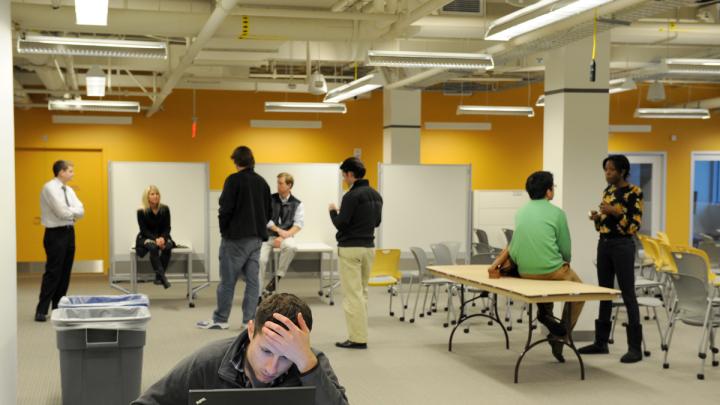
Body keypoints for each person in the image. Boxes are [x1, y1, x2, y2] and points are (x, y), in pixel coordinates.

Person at [133, 293, 348, 405]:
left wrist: (308, 366)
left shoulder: (310, 362)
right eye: (265, 351)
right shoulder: (208, 362)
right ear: (251, 330)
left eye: (286, 357)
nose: (272, 368)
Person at [491, 171, 583, 363]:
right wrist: (566, 262)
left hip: (525, 272)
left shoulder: (521, 212)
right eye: (553, 187)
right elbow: (565, 248)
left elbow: (515, 246)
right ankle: (561, 336)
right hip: (552, 271)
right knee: (580, 292)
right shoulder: (557, 214)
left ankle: (546, 315)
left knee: (542, 284)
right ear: (549, 192)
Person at [579, 154, 644, 363]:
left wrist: (616, 212)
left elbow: (633, 226)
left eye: (611, 170)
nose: (607, 174)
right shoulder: (607, 191)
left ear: (622, 171)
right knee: (605, 291)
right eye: (606, 170)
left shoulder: (634, 192)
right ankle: (601, 343)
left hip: (623, 245)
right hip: (604, 243)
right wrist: (597, 218)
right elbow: (604, 223)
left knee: (627, 293)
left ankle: (635, 348)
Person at [197, 146, 272, 330]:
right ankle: (249, 321)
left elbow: (225, 209)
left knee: (228, 281)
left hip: (235, 239)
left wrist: (225, 231)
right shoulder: (263, 183)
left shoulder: (233, 181)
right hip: (256, 239)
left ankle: (221, 319)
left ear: (236, 161)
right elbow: (270, 212)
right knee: (253, 282)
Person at [329, 157, 383, 349]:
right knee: (362, 292)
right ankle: (361, 333)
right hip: (368, 247)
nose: (344, 178)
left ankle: (357, 338)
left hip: (350, 249)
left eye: (344, 175)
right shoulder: (376, 195)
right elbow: (376, 223)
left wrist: (333, 212)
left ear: (351, 174)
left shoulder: (351, 196)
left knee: (352, 295)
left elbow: (341, 223)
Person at [35, 160, 84, 322]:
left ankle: (58, 307)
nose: (73, 174)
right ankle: (41, 310)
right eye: (70, 171)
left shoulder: (69, 190)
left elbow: (81, 210)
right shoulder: (49, 188)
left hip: (70, 233)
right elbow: (61, 212)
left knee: (65, 272)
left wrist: (72, 212)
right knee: (53, 272)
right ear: (61, 172)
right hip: (55, 234)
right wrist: (73, 213)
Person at [260, 172, 304, 295]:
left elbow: (298, 224)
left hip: (286, 236)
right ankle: (257, 294)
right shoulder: (269, 199)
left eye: (281, 183)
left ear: (289, 185)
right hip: (267, 236)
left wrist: (284, 235)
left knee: (292, 247)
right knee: (260, 260)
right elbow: (265, 219)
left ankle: (277, 278)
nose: (278, 186)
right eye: (277, 183)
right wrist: (279, 232)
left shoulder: (297, 203)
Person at [135, 185, 174, 289]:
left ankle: (158, 277)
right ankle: (163, 277)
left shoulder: (165, 209)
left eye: (157, 194)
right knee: (153, 247)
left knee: (167, 247)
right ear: (147, 197)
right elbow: (143, 230)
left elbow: (167, 227)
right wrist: (155, 239)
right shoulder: (141, 211)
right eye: (152, 194)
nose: (155, 196)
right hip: (147, 236)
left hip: (162, 236)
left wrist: (163, 238)